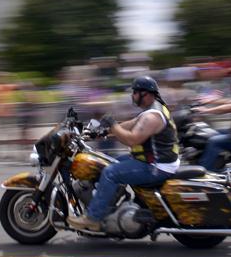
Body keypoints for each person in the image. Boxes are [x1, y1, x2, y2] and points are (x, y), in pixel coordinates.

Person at [69, 76, 180, 232]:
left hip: (156, 166)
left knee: (110, 173)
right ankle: (110, 204)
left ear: (145, 94)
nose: (132, 96)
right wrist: (103, 132)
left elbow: (132, 140)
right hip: (153, 160)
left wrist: (113, 125)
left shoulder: (152, 116)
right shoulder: (152, 109)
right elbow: (132, 123)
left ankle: (93, 218)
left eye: (135, 92)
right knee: (107, 162)